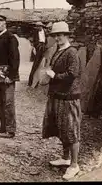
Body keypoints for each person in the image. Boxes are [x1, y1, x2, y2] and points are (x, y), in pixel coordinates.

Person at [41, 21, 82, 180]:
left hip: (69, 97)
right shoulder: (59, 50)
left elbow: (72, 74)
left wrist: (54, 76)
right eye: (55, 35)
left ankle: (74, 165)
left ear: (66, 35)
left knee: (71, 131)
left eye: (60, 35)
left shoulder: (71, 52)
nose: (57, 37)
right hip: (58, 95)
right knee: (61, 128)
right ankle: (66, 158)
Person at [0, 14, 20, 139]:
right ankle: (3, 126)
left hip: (6, 77)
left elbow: (15, 58)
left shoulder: (10, 38)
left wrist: (11, 75)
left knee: (8, 103)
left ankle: (10, 130)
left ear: (4, 24)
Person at [28, 21, 47, 86]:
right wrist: (34, 48)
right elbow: (32, 41)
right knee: (35, 65)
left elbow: (47, 41)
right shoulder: (35, 32)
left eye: (39, 26)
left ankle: (39, 81)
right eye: (37, 26)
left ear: (41, 26)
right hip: (38, 48)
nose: (37, 27)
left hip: (44, 47)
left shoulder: (45, 32)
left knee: (44, 64)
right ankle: (30, 82)